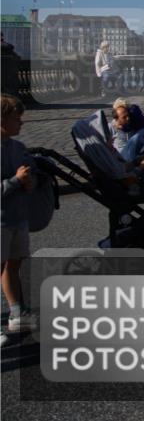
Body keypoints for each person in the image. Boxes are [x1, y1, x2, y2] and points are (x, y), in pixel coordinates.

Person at [2, 94, 37, 343]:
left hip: (17, 217)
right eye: (17, 119)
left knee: (14, 264)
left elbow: (28, 176)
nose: (21, 123)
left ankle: (17, 313)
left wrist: (29, 183)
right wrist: (15, 181)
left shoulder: (17, 147)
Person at [111, 98, 144, 162]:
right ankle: (134, 165)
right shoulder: (112, 126)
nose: (128, 118)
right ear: (116, 119)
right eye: (124, 117)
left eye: (128, 115)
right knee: (136, 138)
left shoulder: (133, 121)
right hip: (123, 156)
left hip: (136, 153)